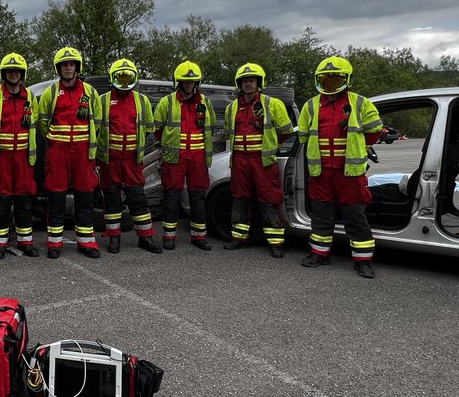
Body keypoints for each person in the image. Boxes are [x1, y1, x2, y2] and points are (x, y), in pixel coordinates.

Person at [297, 55, 384, 279]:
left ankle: (363, 261)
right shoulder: (311, 105)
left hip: (350, 172)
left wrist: (356, 144)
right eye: (326, 80)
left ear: (345, 79)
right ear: (320, 80)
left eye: (336, 79)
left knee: (355, 216)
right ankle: (319, 254)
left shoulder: (360, 103)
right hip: (322, 171)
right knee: (321, 215)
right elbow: (305, 137)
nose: (331, 84)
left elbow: (374, 131)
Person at [223, 62, 296, 258]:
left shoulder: (272, 104)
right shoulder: (232, 108)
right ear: (240, 84)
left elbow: (287, 131)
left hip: (262, 161)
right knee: (239, 199)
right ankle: (239, 238)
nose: (248, 84)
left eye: (251, 81)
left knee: (269, 200)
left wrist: (270, 146)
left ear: (258, 82)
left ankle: (275, 243)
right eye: (245, 81)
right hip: (239, 159)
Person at [36, 46, 103, 259]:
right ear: (59, 68)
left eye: (71, 64)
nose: (68, 68)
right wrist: (57, 140)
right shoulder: (51, 92)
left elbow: (98, 120)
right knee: (56, 196)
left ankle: (87, 242)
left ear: (77, 67)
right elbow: (43, 122)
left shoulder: (90, 92)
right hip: (58, 150)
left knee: (85, 195)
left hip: (83, 151)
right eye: (64, 65)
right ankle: (54, 243)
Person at [97, 58, 161, 254]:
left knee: (138, 199)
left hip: (133, 160)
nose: (124, 83)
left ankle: (146, 238)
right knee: (112, 201)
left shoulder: (141, 100)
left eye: (128, 79)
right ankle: (114, 239)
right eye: (120, 78)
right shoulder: (103, 100)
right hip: (110, 161)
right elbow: (95, 129)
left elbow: (150, 127)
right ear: (113, 78)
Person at [0, 52, 40, 260]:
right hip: (1, 159)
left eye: (16, 71)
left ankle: (26, 242)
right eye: (9, 71)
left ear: (22, 73)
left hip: (24, 158)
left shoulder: (31, 97)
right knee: (1, 201)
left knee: (24, 200)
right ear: (3, 73)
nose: (13, 74)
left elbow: (37, 124)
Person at [154, 61, 217, 251]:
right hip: (175, 158)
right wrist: (170, 145)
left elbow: (210, 127)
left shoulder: (205, 102)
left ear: (196, 83)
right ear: (178, 82)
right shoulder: (167, 102)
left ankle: (199, 237)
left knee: (197, 196)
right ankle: (169, 236)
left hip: (197, 157)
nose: (189, 85)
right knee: (171, 195)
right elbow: (157, 128)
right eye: (185, 82)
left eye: (192, 82)